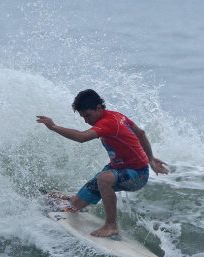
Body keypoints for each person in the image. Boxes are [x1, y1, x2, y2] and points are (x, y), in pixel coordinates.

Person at [36, 89, 169, 237]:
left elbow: (82, 137)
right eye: (83, 117)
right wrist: (150, 158)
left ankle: (111, 226)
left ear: (99, 107)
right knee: (74, 205)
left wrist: (54, 127)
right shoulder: (117, 116)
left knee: (103, 179)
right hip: (118, 168)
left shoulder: (109, 122)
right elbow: (141, 133)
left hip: (137, 174)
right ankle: (72, 199)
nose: (86, 120)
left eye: (87, 115)